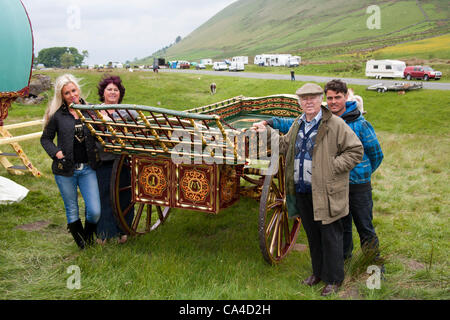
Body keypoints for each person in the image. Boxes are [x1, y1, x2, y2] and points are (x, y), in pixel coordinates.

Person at [253, 80, 383, 263]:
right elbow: (294, 124)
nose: (333, 102)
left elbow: (376, 154)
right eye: (329, 98)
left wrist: (363, 172)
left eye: (338, 97)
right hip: (333, 187)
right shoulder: (322, 120)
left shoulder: (360, 124)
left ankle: (374, 270)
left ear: (346, 97)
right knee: (342, 227)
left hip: (356, 184)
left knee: (365, 227)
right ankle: (344, 263)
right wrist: (270, 122)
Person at [40, 74, 101, 249]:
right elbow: (46, 139)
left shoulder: (90, 110)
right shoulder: (57, 115)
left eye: (73, 90)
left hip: (88, 169)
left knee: (95, 211)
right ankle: (83, 245)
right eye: (67, 93)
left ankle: (88, 237)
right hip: (65, 169)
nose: (72, 95)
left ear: (78, 89)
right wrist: (57, 153)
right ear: (62, 96)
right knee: (72, 209)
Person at [95, 75, 135, 244]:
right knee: (103, 196)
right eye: (109, 89)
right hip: (103, 161)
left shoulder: (127, 112)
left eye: (116, 90)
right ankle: (104, 233)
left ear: (120, 94)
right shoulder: (94, 111)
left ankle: (123, 231)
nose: (112, 92)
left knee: (125, 196)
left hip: (123, 161)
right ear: (103, 92)